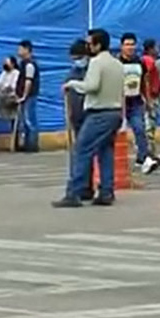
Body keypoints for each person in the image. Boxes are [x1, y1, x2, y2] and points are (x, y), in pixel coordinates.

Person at [53, 29, 124, 208]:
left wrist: (72, 84)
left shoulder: (97, 63)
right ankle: (106, 191)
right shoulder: (117, 63)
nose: (87, 47)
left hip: (99, 112)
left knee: (82, 150)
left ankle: (74, 192)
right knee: (105, 151)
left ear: (97, 45)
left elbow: (91, 86)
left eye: (89, 43)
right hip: (115, 111)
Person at [119, 32, 159, 174]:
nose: (130, 47)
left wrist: (148, 101)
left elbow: (144, 82)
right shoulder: (117, 63)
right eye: (127, 44)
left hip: (135, 101)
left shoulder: (139, 62)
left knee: (140, 129)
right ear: (121, 46)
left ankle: (143, 159)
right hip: (119, 103)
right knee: (116, 134)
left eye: (132, 44)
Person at [64, 39, 93, 199]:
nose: (77, 61)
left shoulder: (92, 70)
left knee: (83, 153)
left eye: (78, 57)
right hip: (76, 117)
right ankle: (82, 186)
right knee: (79, 152)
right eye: (74, 58)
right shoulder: (72, 72)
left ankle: (82, 187)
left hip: (90, 115)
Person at [16, 40, 40, 152]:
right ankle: (26, 144)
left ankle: (32, 145)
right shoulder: (23, 63)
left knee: (30, 121)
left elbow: (28, 81)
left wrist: (24, 95)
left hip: (29, 96)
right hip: (24, 96)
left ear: (27, 50)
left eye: (20, 49)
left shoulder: (29, 64)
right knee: (25, 122)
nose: (18, 51)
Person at [142, 39, 160, 160]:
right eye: (155, 47)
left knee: (150, 126)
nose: (157, 50)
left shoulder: (148, 60)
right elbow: (147, 79)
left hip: (151, 96)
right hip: (150, 98)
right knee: (149, 126)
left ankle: (150, 152)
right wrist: (148, 99)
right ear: (151, 49)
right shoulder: (148, 60)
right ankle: (149, 153)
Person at [0, 56, 20, 124]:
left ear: (12, 64)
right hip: (4, 96)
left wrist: (5, 89)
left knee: (14, 115)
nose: (5, 64)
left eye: (7, 63)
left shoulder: (16, 73)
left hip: (12, 96)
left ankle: (16, 130)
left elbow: (13, 86)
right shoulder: (4, 73)